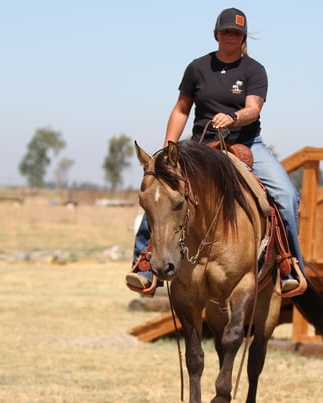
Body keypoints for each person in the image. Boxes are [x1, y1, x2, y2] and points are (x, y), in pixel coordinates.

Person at [126, 7, 304, 296]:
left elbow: (253, 108)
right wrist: (168, 150)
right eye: (226, 32)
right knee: (160, 192)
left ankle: (289, 266)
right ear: (216, 34)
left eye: (236, 33)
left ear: (243, 37)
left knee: (286, 195)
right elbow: (181, 109)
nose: (230, 36)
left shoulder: (254, 70)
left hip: (246, 144)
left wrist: (233, 118)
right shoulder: (197, 68)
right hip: (200, 147)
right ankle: (143, 266)